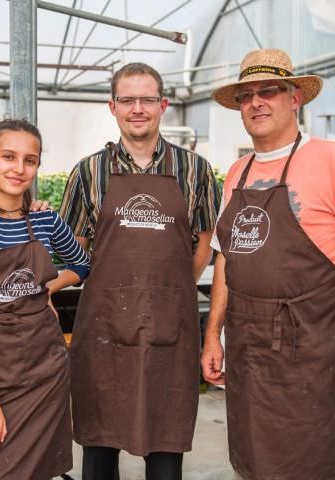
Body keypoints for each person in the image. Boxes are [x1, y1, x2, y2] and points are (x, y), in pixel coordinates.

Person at [59, 62, 220, 480]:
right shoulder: (87, 172)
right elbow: (76, 252)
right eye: (127, 100)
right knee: (99, 453)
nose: (138, 108)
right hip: (104, 333)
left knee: (165, 452)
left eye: (147, 99)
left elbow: (204, 242)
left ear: (163, 104)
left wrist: (169, 289)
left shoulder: (196, 170)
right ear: (112, 106)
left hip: (170, 331)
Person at [201, 48, 335, 480]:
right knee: (254, 458)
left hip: (312, 347)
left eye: (269, 91)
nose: (256, 102)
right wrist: (212, 335)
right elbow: (225, 257)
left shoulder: (328, 160)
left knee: (311, 458)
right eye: (246, 95)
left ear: (295, 97)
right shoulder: (237, 171)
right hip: (248, 345)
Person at [0, 118, 90, 480]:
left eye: (30, 160)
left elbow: (83, 264)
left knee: (41, 470)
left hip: (47, 368)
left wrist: (50, 287)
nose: (19, 168)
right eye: (9, 157)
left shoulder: (45, 221)